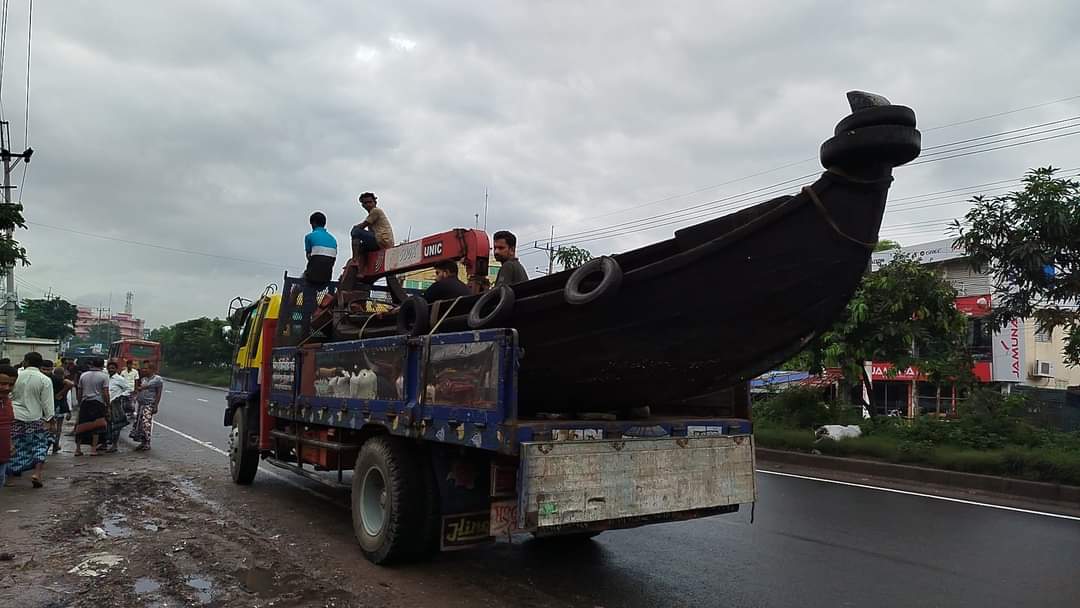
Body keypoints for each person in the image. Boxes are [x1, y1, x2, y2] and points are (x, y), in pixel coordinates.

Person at [9, 353, 55, 487]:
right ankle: (37, 473)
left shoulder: (16, 376)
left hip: (14, 415)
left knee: (14, 444)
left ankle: (11, 474)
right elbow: (47, 402)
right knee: (39, 445)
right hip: (35, 417)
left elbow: (8, 394)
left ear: (26, 362)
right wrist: (50, 419)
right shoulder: (45, 380)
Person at [74, 358, 110, 457]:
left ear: (92, 364)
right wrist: (108, 404)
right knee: (96, 426)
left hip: (85, 402)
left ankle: (78, 449)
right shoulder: (104, 376)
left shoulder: (83, 375)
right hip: (98, 403)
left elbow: (79, 391)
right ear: (102, 366)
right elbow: (105, 392)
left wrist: (79, 402)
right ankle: (93, 449)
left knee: (81, 425)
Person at [130, 364, 164, 451]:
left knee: (146, 423)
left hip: (149, 404)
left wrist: (156, 405)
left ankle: (147, 442)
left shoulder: (157, 379)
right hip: (141, 404)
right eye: (143, 368)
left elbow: (158, 393)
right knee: (139, 423)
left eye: (146, 369)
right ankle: (142, 442)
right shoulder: (143, 379)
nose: (144, 370)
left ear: (152, 369)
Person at [350, 192, 395, 259]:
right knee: (361, 247)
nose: (368, 204)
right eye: (365, 203)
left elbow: (362, 226)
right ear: (363, 205)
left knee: (356, 231)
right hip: (381, 242)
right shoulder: (371, 214)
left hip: (382, 240)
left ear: (375, 202)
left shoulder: (376, 211)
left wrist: (355, 228)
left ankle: (355, 259)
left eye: (370, 202)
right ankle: (362, 262)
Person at [44, 361, 73, 453]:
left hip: (53, 405)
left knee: (50, 426)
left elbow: (70, 384)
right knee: (58, 427)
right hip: (59, 406)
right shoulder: (59, 380)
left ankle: (49, 444)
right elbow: (68, 393)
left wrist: (59, 394)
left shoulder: (53, 379)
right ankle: (55, 444)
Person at [303, 211, 338, 286]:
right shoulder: (333, 239)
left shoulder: (309, 237)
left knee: (298, 286)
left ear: (313, 223)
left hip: (311, 277)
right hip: (327, 277)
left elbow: (308, 257)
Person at [106, 361, 132, 453]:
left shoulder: (119, 379)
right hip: (106, 404)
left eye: (113, 368)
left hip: (115, 404)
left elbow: (129, 389)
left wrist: (120, 396)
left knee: (116, 425)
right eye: (109, 368)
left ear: (116, 369)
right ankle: (105, 443)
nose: (111, 370)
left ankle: (114, 445)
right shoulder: (106, 378)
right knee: (106, 424)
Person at [0, 364, 16, 489]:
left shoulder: (7, 402)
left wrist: (10, 444)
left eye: (11, 385)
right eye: (2, 383)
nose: (7, 388)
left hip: (3, 456)